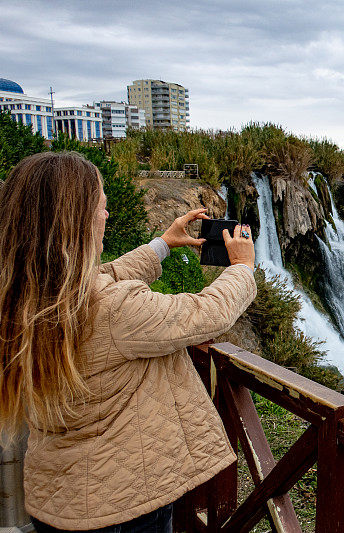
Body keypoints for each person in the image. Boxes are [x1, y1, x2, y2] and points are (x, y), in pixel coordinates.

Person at [0, 151, 257, 532]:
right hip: (125, 505)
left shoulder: (24, 295)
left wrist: (163, 245)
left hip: (60, 497)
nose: (107, 216)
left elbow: (108, 273)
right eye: (101, 208)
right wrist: (242, 268)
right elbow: (206, 314)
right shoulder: (114, 309)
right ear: (76, 223)